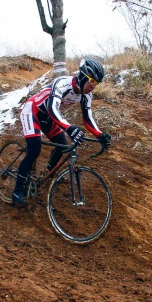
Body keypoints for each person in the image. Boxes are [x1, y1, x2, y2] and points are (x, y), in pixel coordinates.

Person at [11, 58, 112, 205]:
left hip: (47, 116)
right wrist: (70, 128)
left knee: (61, 146)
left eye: (97, 83)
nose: (94, 86)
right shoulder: (62, 84)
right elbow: (52, 108)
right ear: (83, 76)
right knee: (34, 150)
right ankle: (17, 190)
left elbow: (88, 117)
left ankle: (49, 175)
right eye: (92, 81)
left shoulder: (87, 95)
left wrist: (100, 135)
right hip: (32, 111)